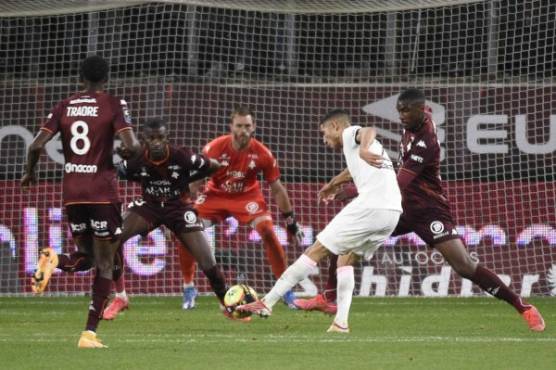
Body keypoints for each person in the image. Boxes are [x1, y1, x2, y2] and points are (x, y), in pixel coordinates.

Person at [293, 88, 546, 332]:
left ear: (421, 110)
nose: (401, 115)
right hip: (399, 208)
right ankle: (328, 297)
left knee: (465, 266)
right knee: (345, 236)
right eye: (399, 110)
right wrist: (338, 182)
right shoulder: (410, 127)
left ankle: (523, 307)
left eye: (406, 111)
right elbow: (387, 170)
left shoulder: (427, 141)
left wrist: (349, 191)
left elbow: (397, 182)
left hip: (428, 210)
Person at [236, 109, 402, 333]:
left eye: (324, 134)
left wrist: (362, 148)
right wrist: (333, 184)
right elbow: (351, 170)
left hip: (371, 206)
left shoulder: (349, 133)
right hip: (391, 213)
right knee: (346, 259)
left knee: (316, 250)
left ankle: (267, 302)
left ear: (335, 126)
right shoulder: (357, 152)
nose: (324, 140)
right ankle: (340, 323)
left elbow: (367, 130)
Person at [21, 55, 141, 348]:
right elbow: (132, 146)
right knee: (105, 261)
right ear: (107, 79)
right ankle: (89, 334)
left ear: (80, 78)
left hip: (73, 193)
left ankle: (54, 260)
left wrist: (28, 173)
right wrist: (126, 155)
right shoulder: (112, 104)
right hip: (102, 191)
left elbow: (36, 145)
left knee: (87, 257)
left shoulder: (64, 105)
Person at [102, 118, 244, 321]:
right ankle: (120, 297)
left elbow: (212, 166)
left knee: (207, 261)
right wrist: (119, 157)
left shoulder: (182, 156)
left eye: (160, 137)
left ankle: (226, 304)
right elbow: (117, 170)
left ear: (167, 138)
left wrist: (189, 180)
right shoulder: (136, 159)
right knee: (112, 238)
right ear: (144, 140)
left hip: (178, 208)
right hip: (149, 207)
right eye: (151, 138)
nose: (157, 142)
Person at [177, 106, 304, 310]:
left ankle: (285, 289)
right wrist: (180, 209)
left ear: (253, 127)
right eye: (239, 126)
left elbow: (278, 190)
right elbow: (195, 182)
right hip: (215, 195)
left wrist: (291, 222)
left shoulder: (263, 154)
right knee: (186, 228)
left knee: (268, 232)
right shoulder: (214, 149)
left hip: (247, 196)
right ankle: (189, 287)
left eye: (247, 126)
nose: (243, 130)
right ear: (231, 127)